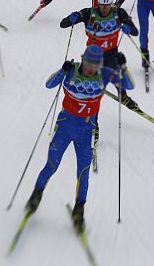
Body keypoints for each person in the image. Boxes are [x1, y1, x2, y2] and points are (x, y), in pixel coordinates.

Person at [23, 45, 134, 231]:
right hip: (65, 126)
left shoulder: (105, 74)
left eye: (95, 64)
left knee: (83, 171)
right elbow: (49, 84)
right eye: (88, 63)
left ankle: (79, 209)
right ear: (83, 59)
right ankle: (36, 194)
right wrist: (62, 70)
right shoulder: (72, 69)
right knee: (52, 164)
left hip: (86, 130)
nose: (91, 68)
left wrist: (123, 68)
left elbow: (128, 85)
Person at [60, 0, 140, 163]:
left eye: (107, 5)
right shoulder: (89, 13)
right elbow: (63, 24)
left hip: (111, 54)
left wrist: (128, 27)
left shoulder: (118, 12)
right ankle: (93, 126)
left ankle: (123, 97)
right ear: (98, 3)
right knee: (93, 95)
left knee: (117, 78)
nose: (105, 9)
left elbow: (134, 31)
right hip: (93, 59)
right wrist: (71, 18)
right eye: (102, 5)